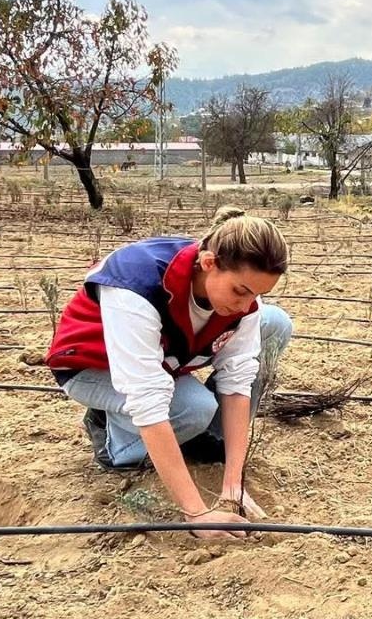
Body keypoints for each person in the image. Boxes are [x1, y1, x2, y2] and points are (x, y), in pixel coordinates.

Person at [47, 206, 294, 539]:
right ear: (209, 264)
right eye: (240, 291)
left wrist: (232, 485)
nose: (247, 304)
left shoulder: (241, 300)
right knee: (194, 409)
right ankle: (115, 442)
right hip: (92, 365)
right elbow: (148, 398)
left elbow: (237, 383)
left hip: (166, 360)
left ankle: (201, 440)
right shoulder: (136, 282)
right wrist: (197, 515)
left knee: (274, 323)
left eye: (257, 294)